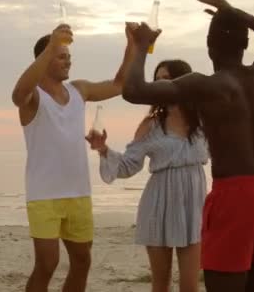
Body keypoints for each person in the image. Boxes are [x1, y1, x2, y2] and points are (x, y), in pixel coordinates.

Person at [122, 0, 254, 292]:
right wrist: (237, 14)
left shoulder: (205, 85)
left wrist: (139, 47)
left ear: (209, 46)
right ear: (245, 44)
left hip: (235, 197)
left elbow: (133, 90)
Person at [11, 22, 136, 292]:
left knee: (82, 261)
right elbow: (17, 94)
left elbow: (120, 84)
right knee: (47, 264)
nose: (68, 61)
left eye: (69, 56)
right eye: (61, 55)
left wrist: (132, 47)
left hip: (78, 191)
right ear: (44, 58)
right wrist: (50, 46)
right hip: (44, 194)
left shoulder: (79, 90)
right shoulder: (34, 97)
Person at [86, 59, 208, 292]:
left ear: (183, 82)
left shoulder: (203, 122)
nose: (160, 84)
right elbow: (128, 166)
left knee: (190, 285)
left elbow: (227, 147)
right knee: (161, 283)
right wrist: (103, 149)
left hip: (194, 206)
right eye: (157, 79)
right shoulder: (151, 125)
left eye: (167, 79)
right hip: (159, 204)